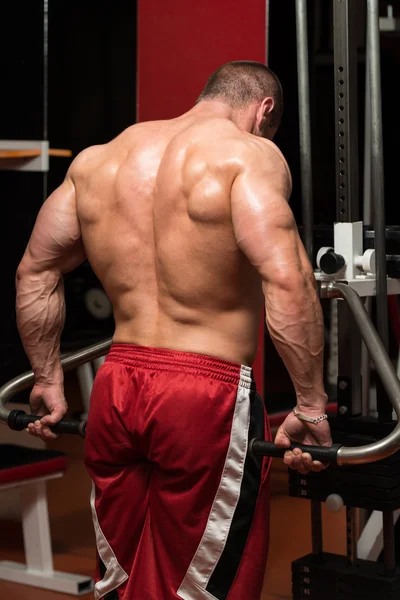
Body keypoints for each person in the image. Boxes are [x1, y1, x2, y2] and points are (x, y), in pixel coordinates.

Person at [16, 61, 332, 600]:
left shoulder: (101, 159)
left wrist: (47, 377)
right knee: (202, 586)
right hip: (202, 393)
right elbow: (287, 279)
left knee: (122, 573)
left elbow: (36, 271)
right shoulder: (248, 155)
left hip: (116, 387)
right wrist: (310, 404)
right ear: (265, 110)